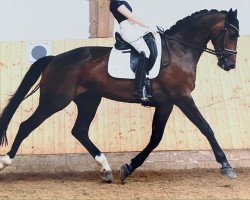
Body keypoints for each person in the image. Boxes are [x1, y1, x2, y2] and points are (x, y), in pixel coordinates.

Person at [109, 0, 154, 102]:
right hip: (128, 30)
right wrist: (148, 25)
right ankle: (139, 89)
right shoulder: (115, 3)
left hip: (133, 28)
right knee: (145, 52)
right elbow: (132, 17)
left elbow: (132, 20)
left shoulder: (122, 1)